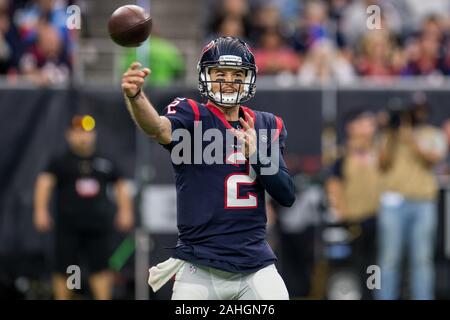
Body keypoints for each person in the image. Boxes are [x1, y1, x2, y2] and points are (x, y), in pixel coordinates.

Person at [121, 36, 296, 300]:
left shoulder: (266, 124)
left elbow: (286, 194)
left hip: (254, 264)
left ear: (248, 78)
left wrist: (258, 156)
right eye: (219, 73)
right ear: (206, 76)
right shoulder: (191, 114)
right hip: (199, 266)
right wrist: (136, 97)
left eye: (236, 74)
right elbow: (156, 127)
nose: (228, 81)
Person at [33, 115, 134, 300]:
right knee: (65, 269)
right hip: (68, 228)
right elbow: (44, 183)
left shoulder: (104, 162)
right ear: (69, 135)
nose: (83, 137)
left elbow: (120, 185)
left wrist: (125, 210)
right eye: (78, 132)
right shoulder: (60, 162)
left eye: (87, 132)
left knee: (101, 269)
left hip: (97, 228)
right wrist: (40, 210)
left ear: (94, 134)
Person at [377, 99, 446, 300]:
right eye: (415, 110)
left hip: (423, 203)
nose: (418, 114)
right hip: (393, 204)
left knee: (422, 259)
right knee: (389, 258)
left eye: (422, 110)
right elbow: (382, 163)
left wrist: (410, 139)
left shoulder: (433, 133)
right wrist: (391, 133)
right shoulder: (391, 135)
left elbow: (434, 158)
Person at [326, 109, 380, 299]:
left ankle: (373, 294)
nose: (370, 126)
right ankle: (363, 294)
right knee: (359, 262)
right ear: (351, 127)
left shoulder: (379, 151)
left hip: (378, 216)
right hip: (355, 218)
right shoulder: (342, 154)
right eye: (364, 122)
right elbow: (334, 183)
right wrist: (342, 210)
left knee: (375, 264)